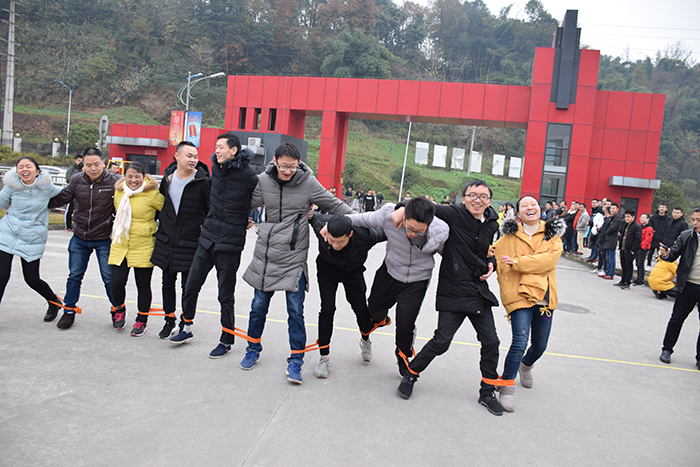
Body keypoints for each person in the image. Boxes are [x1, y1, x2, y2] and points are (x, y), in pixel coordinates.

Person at [240, 142, 352, 384]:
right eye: (283, 166)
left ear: (299, 164)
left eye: (292, 167)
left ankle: (296, 360)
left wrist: (364, 220)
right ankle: (252, 349)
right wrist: (242, 218)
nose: (287, 171)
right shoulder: (264, 181)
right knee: (258, 306)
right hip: (267, 254)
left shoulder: (308, 183)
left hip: (293, 256)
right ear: (275, 161)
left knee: (295, 311)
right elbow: (245, 204)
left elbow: (334, 204)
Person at [394, 180, 505, 417]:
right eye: (472, 195)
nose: (477, 200)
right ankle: (410, 374)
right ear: (463, 199)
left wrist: (492, 263)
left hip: (478, 291)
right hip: (453, 289)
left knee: (491, 341)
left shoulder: (491, 223)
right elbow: (423, 206)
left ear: (489, 201)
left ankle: (487, 392)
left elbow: (487, 250)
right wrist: (403, 208)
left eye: (483, 196)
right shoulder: (453, 214)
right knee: (441, 341)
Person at [169, 134, 258, 358]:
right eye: (216, 146)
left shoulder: (248, 175)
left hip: (229, 243)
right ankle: (186, 327)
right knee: (191, 285)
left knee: (225, 295)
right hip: (207, 237)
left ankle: (226, 340)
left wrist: (245, 217)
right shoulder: (215, 169)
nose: (216, 150)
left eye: (220, 147)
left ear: (233, 150)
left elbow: (262, 195)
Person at [350, 197, 449, 378]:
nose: (413, 233)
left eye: (419, 231)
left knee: (405, 325)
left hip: (417, 279)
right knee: (373, 310)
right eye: (409, 228)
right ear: (404, 216)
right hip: (390, 272)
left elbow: (452, 253)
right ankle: (376, 326)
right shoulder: (389, 215)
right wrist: (330, 224)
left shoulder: (440, 230)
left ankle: (403, 357)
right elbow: (360, 219)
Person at [492, 195, 564, 412]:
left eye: (533, 204)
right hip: (519, 293)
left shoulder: (552, 234)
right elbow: (494, 252)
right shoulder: (510, 235)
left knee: (540, 345)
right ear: (518, 213)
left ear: (539, 209)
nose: (529, 208)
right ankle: (507, 387)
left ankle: (526, 365)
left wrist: (517, 262)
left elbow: (549, 261)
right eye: (524, 205)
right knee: (519, 341)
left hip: (544, 296)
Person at [49, 147, 121, 330]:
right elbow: (64, 197)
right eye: (88, 165)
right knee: (74, 276)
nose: (93, 168)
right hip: (80, 236)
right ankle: (69, 311)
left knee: (109, 278)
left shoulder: (115, 181)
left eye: (96, 164)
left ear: (103, 163)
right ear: (83, 166)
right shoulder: (76, 180)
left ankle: (117, 310)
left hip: (104, 237)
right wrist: (41, 199)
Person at [309, 213, 386, 378]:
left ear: (350, 234)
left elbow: (389, 230)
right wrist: (308, 212)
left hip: (353, 271)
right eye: (332, 241)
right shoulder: (320, 226)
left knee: (360, 308)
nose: (336, 245)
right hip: (327, 270)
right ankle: (323, 356)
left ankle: (365, 339)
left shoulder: (367, 236)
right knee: (327, 308)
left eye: (341, 241)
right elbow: (308, 214)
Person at [150, 141, 211, 339]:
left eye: (196, 156)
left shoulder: (203, 181)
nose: (193, 160)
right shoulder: (167, 179)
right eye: (189, 156)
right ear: (177, 156)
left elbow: (209, 211)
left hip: (191, 242)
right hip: (167, 240)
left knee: (189, 286)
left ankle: (186, 322)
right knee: (167, 283)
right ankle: (169, 320)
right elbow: (160, 207)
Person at [0, 157, 64, 320]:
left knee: (32, 279)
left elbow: (66, 194)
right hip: (7, 233)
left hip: (33, 236)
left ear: (37, 171)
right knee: (1, 276)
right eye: (20, 167)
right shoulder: (11, 186)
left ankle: (54, 302)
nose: (24, 170)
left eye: (28, 166)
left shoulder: (46, 186)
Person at [108, 163, 164, 336]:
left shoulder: (153, 194)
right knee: (116, 282)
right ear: (124, 177)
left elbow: (166, 214)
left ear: (144, 177)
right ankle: (119, 309)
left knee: (143, 285)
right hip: (121, 244)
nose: (133, 180)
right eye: (130, 176)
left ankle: (142, 319)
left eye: (137, 176)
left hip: (143, 244)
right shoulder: (119, 192)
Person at [658, 209, 700, 370]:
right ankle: (667, 350)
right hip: (688, 285)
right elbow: (673, 254)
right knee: (676, 319)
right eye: (693, 219)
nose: (695, 223)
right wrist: (666, 254)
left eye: (698, 220)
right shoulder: (686, 236)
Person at [615, 209, 642, 290]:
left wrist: (633, 250)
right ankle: (622, 280)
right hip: (623, 248)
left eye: (628, 217)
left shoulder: (637, 226)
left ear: (633, 217)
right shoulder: (625, 224)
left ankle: (627, 282)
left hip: (630, 249)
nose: (627, 218)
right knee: (623, 265)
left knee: (628, 266)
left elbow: (638, 239)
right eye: (626, 217)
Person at [597, 203, 622, 280]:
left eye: (614, 208)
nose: (612, 210)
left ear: (617, 209)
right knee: (607, 257)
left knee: (611, 258)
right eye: (611, 208)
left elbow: (613, 227)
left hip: (611, 240)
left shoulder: (617, 217)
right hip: (607, 239)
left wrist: (605, 232)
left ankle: (610, 274)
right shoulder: (612, 217)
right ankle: (607, 272)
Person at [648, 203, 672, 269]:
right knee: (650, 252)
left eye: (663, 207)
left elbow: (669, 229)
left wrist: (664, 237)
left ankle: (658, 265)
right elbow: (650, 226)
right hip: (653, 237)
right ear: (658, 208)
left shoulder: (669, 219)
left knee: (660, 253)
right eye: (660, 207)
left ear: (666, 209)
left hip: (662, 239)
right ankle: (648, 265)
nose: (662, 209)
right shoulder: (653, 217)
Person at [64, 154, 82, 231]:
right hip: (71, 192)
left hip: (79, 193)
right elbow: (68, 179)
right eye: (79, 160)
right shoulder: (71, 170)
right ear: (75, 161)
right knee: (69, 210)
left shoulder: (82, 170)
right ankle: (67, 225)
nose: (80, 162)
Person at [634, 213, 653, 286]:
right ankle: (638, 278)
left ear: (648, 219)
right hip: (638, 247)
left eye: (643, 217)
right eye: (641, 217)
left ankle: (640, 280)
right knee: (637, 264)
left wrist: (643, 248)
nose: (641, 219)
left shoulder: (649, 228)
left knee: (640, 264)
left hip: (643, 249)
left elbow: (647, 240)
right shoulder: (641, 227)